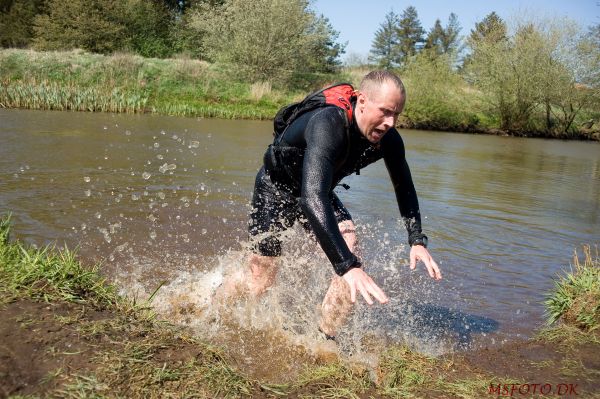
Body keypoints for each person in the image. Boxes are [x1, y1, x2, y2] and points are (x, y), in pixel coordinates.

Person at [218, 70, 441, 340]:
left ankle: (326, 338)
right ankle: (215, 306)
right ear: (362, 101)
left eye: (396, 115)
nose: (390, 122)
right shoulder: (328, 124)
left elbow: (403, 186)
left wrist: (416, 238)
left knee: (350, 248)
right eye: (384, 112)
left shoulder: (389, 140)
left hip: (317, 191)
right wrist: (347, 266)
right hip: (275, 189)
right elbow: (311, 198)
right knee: (261, 280)